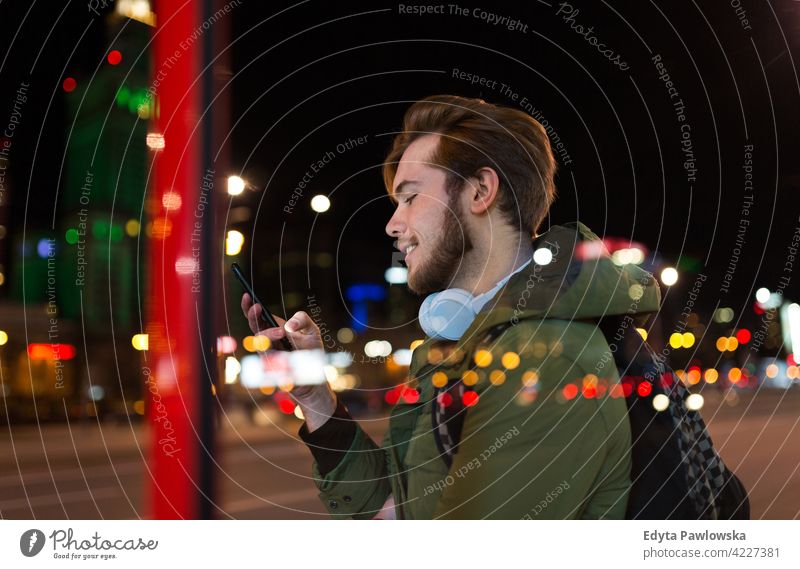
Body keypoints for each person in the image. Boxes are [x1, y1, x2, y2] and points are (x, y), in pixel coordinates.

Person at [241, 95, 661, 519]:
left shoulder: (548, 358)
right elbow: (393, 510)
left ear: (479, 191)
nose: (393, 224)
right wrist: (315, 397)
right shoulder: (465, 345)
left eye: (410, 198)